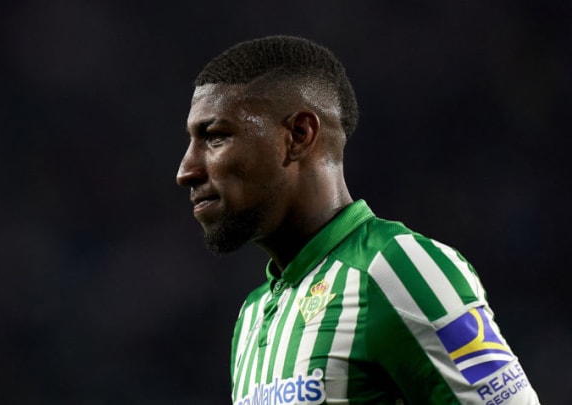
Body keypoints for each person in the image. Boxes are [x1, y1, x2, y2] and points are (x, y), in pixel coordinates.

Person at [175, 35, 540, 404]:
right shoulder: (253, 315)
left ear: (299, 135)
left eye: (215, 137)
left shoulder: (397, 269)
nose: (185, 170)